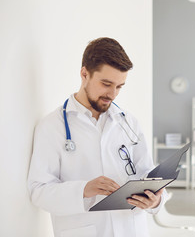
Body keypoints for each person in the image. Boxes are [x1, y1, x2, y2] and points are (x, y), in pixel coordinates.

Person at [27, 37, 167, 237]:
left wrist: (156, 201)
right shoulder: (52, 126)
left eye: (119, 86)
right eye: (106, 84)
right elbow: (38, 192)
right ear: (84, 74)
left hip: (131, 229)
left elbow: (149, 176)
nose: (112, 94)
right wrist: (84, 189)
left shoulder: (129, 122)